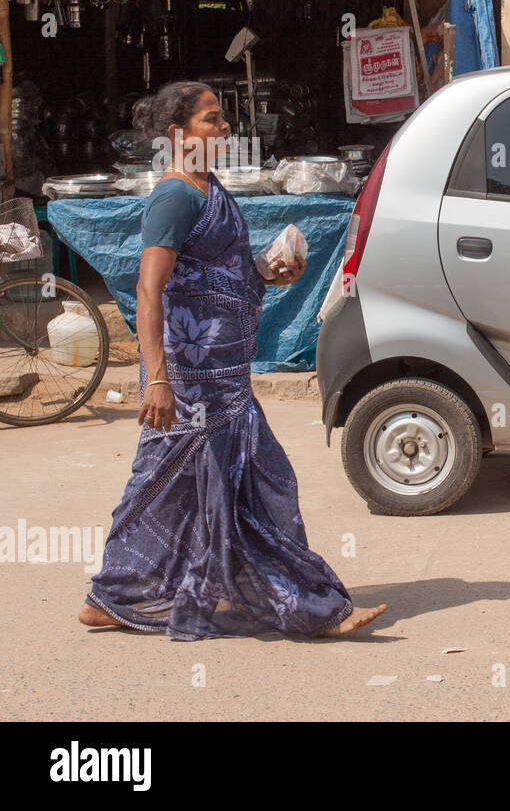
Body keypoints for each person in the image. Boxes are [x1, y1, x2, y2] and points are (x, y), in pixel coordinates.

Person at [77, 81, 386, 640]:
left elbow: (219, 269)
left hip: (224, 377)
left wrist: (269, 270)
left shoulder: (207, 187)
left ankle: (113, 595)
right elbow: (150, 292)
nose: (225, 131)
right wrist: (158, 380)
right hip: (187, 379)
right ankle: (311, 606)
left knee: (188, 488)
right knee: (228, 484)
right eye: (212, 121)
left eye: (223, 121)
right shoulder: (175, 197)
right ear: (178, 135)